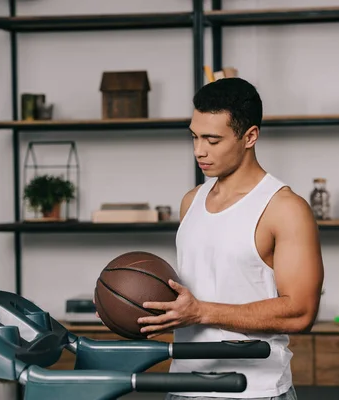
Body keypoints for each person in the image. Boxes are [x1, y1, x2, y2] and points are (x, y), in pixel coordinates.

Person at [136, 77, 325, 400]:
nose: (199, 151)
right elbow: (198, 293)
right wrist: (133, 309)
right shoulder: (191, 200)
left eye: (212, 140)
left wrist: (202, 312)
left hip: (254, 391)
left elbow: (301, 311)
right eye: (194, 137)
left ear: (249, 136)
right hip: (183, 386)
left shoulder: (284, 209)